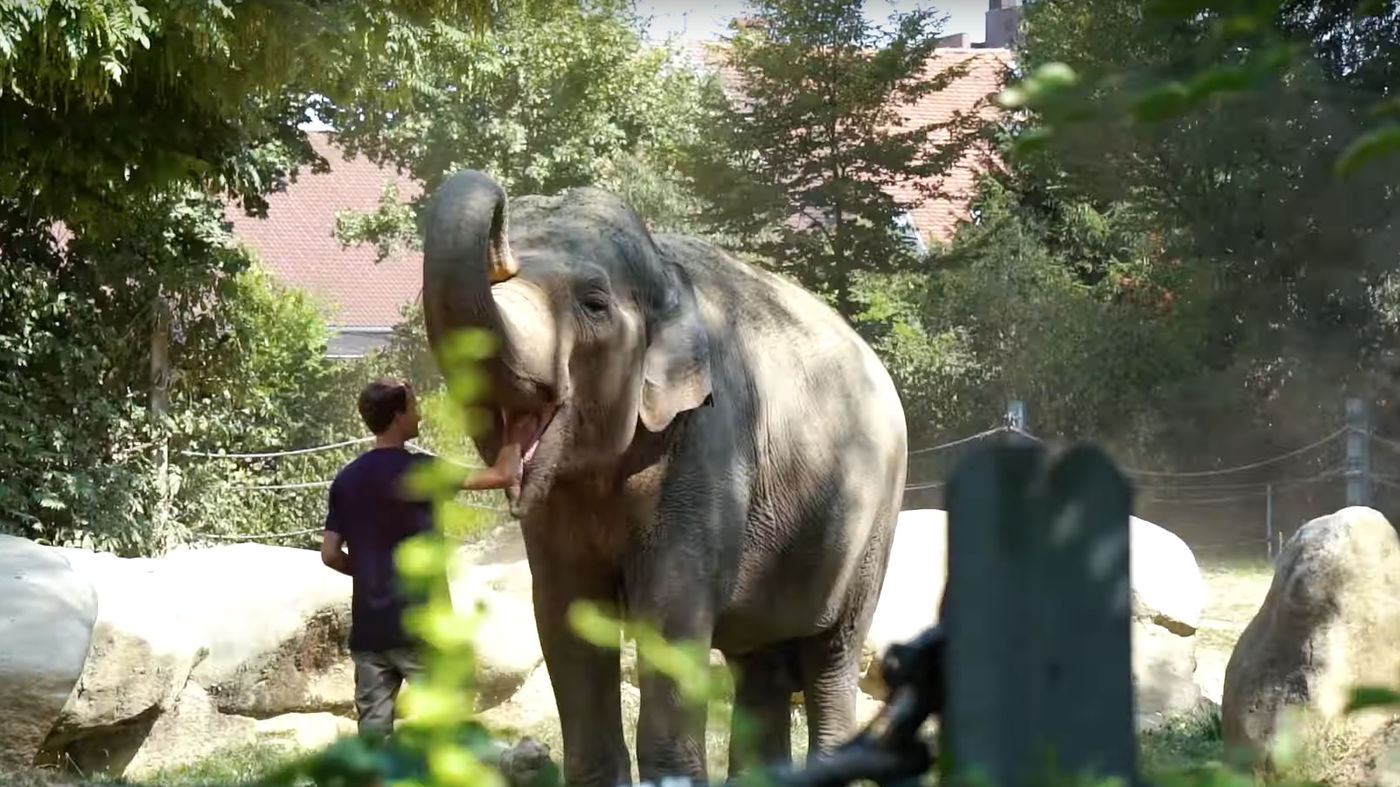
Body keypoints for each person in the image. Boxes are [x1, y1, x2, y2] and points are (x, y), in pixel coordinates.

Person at [320, 377, 521, 738]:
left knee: (373, 738)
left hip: (371, 632)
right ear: (398, 415)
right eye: (413, 406)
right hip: (423, 628)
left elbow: (330, 554)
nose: (420, 413)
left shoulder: (345, 479)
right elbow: (502, 475)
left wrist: (367, 572)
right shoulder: (422, 470)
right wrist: (516, 433)